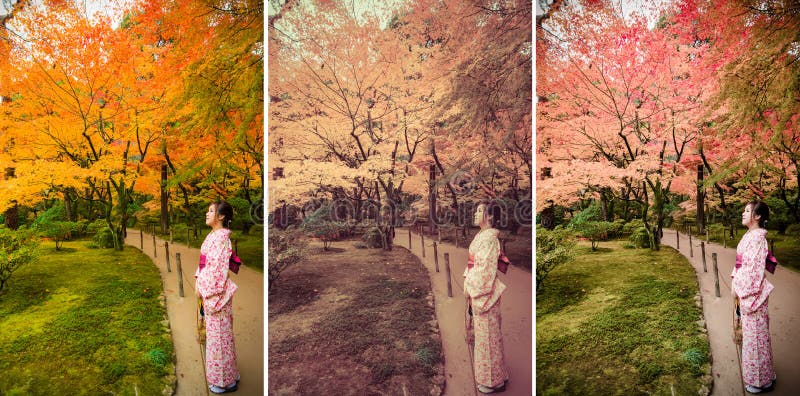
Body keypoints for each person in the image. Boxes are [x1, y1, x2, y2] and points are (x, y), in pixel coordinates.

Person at [463, 201, 508, 394]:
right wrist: (468, 278)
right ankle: (497, 375)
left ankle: (493, 382)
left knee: (488, 339)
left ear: (490, 217)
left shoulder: (489, 239)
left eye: (480, 211)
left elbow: (485, 270)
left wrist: (469, 286)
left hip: (485, 294)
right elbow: (475, 264)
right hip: (481, 290)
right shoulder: (483, 235)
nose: (475, 213)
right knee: (486, 338)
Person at [195, 201, 240, 394]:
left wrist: (202, 288)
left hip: (216, 294)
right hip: (212, 291)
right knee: (221, 337)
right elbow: (205, 264)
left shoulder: (221, 238)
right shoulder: (214, 236)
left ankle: (224, 382)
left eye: (211, 211)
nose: (207, 213)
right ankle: (230, 374)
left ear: (221, 216)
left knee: (219, 339)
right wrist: (199, 280)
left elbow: (216, 271)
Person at [732, 200, 775, 394]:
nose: (743, 213)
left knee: (756, 339)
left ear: (757, 216)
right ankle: (765, 374)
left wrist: (739, 289)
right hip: (749, 291)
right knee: (757, 338)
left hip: (753, 295)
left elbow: (753, 271)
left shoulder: (757, 238)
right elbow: (741, 264)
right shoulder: (751, 235)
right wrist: (735, 280)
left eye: (747, 210)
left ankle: (760, 382)